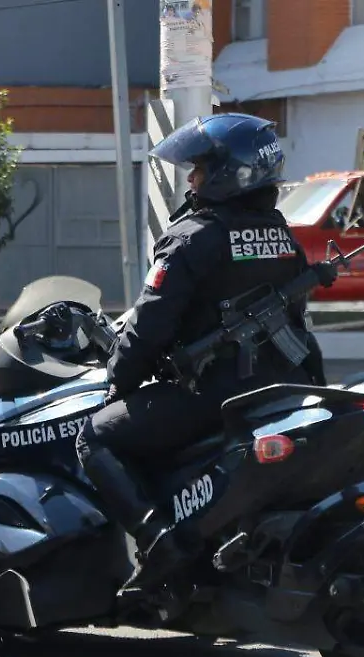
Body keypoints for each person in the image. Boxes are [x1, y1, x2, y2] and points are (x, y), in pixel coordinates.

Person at [75, 113, 324, 594]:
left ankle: (156, 540)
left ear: (234, 173)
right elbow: (299, 322)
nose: (191, 178)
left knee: (96, 437)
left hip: (214, 396)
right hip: (281, 392)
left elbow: (147, 330)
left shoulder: (193, 239)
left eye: (201, 169)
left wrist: (116, 384)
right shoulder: (281, 236)